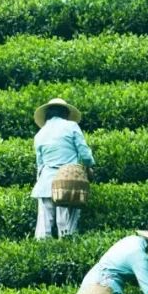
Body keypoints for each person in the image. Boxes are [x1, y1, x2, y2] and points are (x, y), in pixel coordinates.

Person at [32, 98, 94, 240]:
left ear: (47, 114)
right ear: (65, 113)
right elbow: (85, 153)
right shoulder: (71, 126)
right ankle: (66, 253)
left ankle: (41, 254)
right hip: (69, 180)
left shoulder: (40, 134)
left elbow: (39, 164)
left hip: (45, 181)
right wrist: (89, 167)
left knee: (44, 225)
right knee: (66, 225)